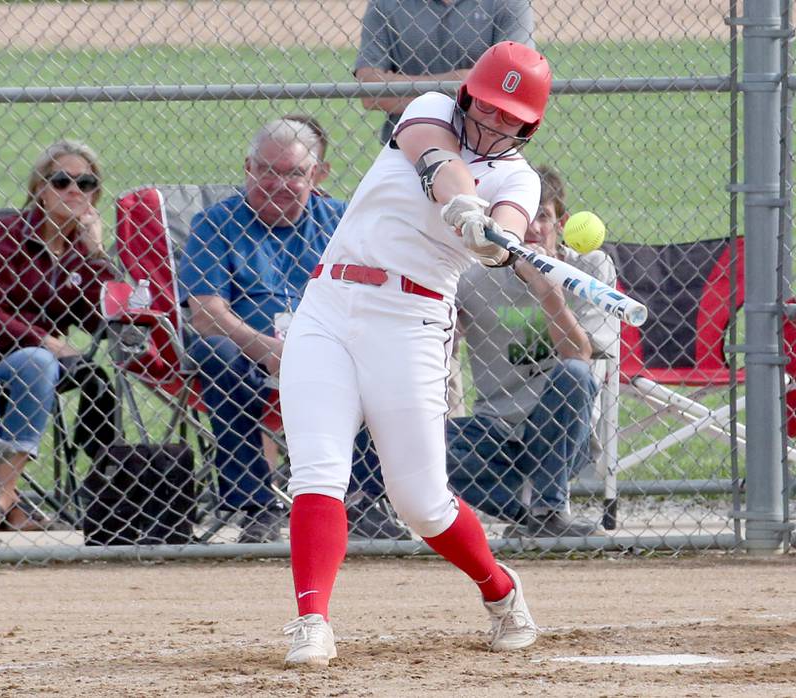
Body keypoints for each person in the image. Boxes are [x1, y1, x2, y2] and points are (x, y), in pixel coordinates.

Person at [279, 41, 552, 667]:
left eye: (512, 115)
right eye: (487, 104)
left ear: (529, 125)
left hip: (411, 321)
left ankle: (500, 590)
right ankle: (312, 620)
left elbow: (507, 216)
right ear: (468, 96)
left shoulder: (519, 177)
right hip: (328, 303)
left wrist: (496, 239)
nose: (494, 120)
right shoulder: (429, 108)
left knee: (421, 503)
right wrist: (461, 204)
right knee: (318, 471)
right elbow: (436, 159)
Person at [179, 116, 409, 544]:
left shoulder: (343, 221)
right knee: (214, 351)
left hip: (332, 348)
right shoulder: (215, 223)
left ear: (317, 174)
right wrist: (267, 348)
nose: (278, 183)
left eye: (294, 173)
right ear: (248, 167)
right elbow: (206, 313)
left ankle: (363, 499)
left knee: (378, 349)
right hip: (247, 353)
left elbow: (376, 294)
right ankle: (255, 507)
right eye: (266, 170)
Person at [447, 166, 620, 537]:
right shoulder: (472, 278)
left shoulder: (590, 269)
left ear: (561, 223)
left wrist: (548, 293)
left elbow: (579, 355)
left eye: (543, 216)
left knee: (572, 374)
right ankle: (534, 516)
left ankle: (547, 506)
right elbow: (445, 337)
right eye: (523, 217)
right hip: (495, 432)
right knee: (421, 444)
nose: (533, 229)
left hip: (562, 436)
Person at [0, 140, 119, 530]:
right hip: (13, 352)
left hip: (43, 368)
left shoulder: (80, 253)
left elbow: (105, 320)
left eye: (85, 184)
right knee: (37, 358)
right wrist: (40, 338)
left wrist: (97, 251)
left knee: (76, 375)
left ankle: (8, 491)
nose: (73, 191)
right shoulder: (4, 233)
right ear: (39, 187)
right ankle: (5, 497)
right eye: (62, 180)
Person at [354, 0, 534, 143]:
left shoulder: (509, 3)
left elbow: (514, 85)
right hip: (409, 146)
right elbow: (371, 91)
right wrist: (457, 82)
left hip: (486, 146)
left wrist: (406, 89)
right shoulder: (385, 3)